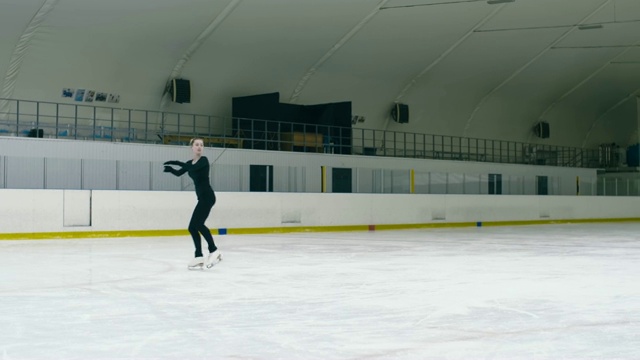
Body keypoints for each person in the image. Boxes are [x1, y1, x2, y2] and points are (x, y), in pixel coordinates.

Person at [163, 138, 222, 269]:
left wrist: (176, 162)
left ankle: (214, 251)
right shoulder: (190, 162)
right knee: (192, 227)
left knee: (198, 224)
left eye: (201, 145)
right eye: (197, 145)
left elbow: (192, 168)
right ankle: (199, 256)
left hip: (208, 196)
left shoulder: (203, 161)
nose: (199, 147)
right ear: (192, 147)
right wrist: (170, 169)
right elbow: (180, 173)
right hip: (202, 198)